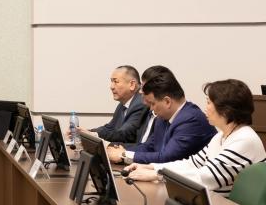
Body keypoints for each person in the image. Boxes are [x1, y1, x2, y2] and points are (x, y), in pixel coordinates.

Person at [125, 79, 266, 193]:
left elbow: (206, 177)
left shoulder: (244, 139)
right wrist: (151, 167)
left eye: (209, 102)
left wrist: (157, 175)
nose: (206, 107)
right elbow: (192, 163)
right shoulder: (221, 136)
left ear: (226, 110)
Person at [107, 71, 216, 164]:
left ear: (167, 102)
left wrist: (124, 155)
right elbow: (148, 147)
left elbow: (167, 158)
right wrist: (115, 150)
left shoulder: (191, 120)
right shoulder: (162, 118)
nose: (150, 109)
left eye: (152, 103)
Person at [87, 65, 146, 143]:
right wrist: (88, 132)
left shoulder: (141, 103)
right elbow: (109, 128)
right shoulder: (123, 103)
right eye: (111, 82)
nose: (111, 87)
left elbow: (124, 134)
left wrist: (93, 134)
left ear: (132, 84)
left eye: (116, 82)